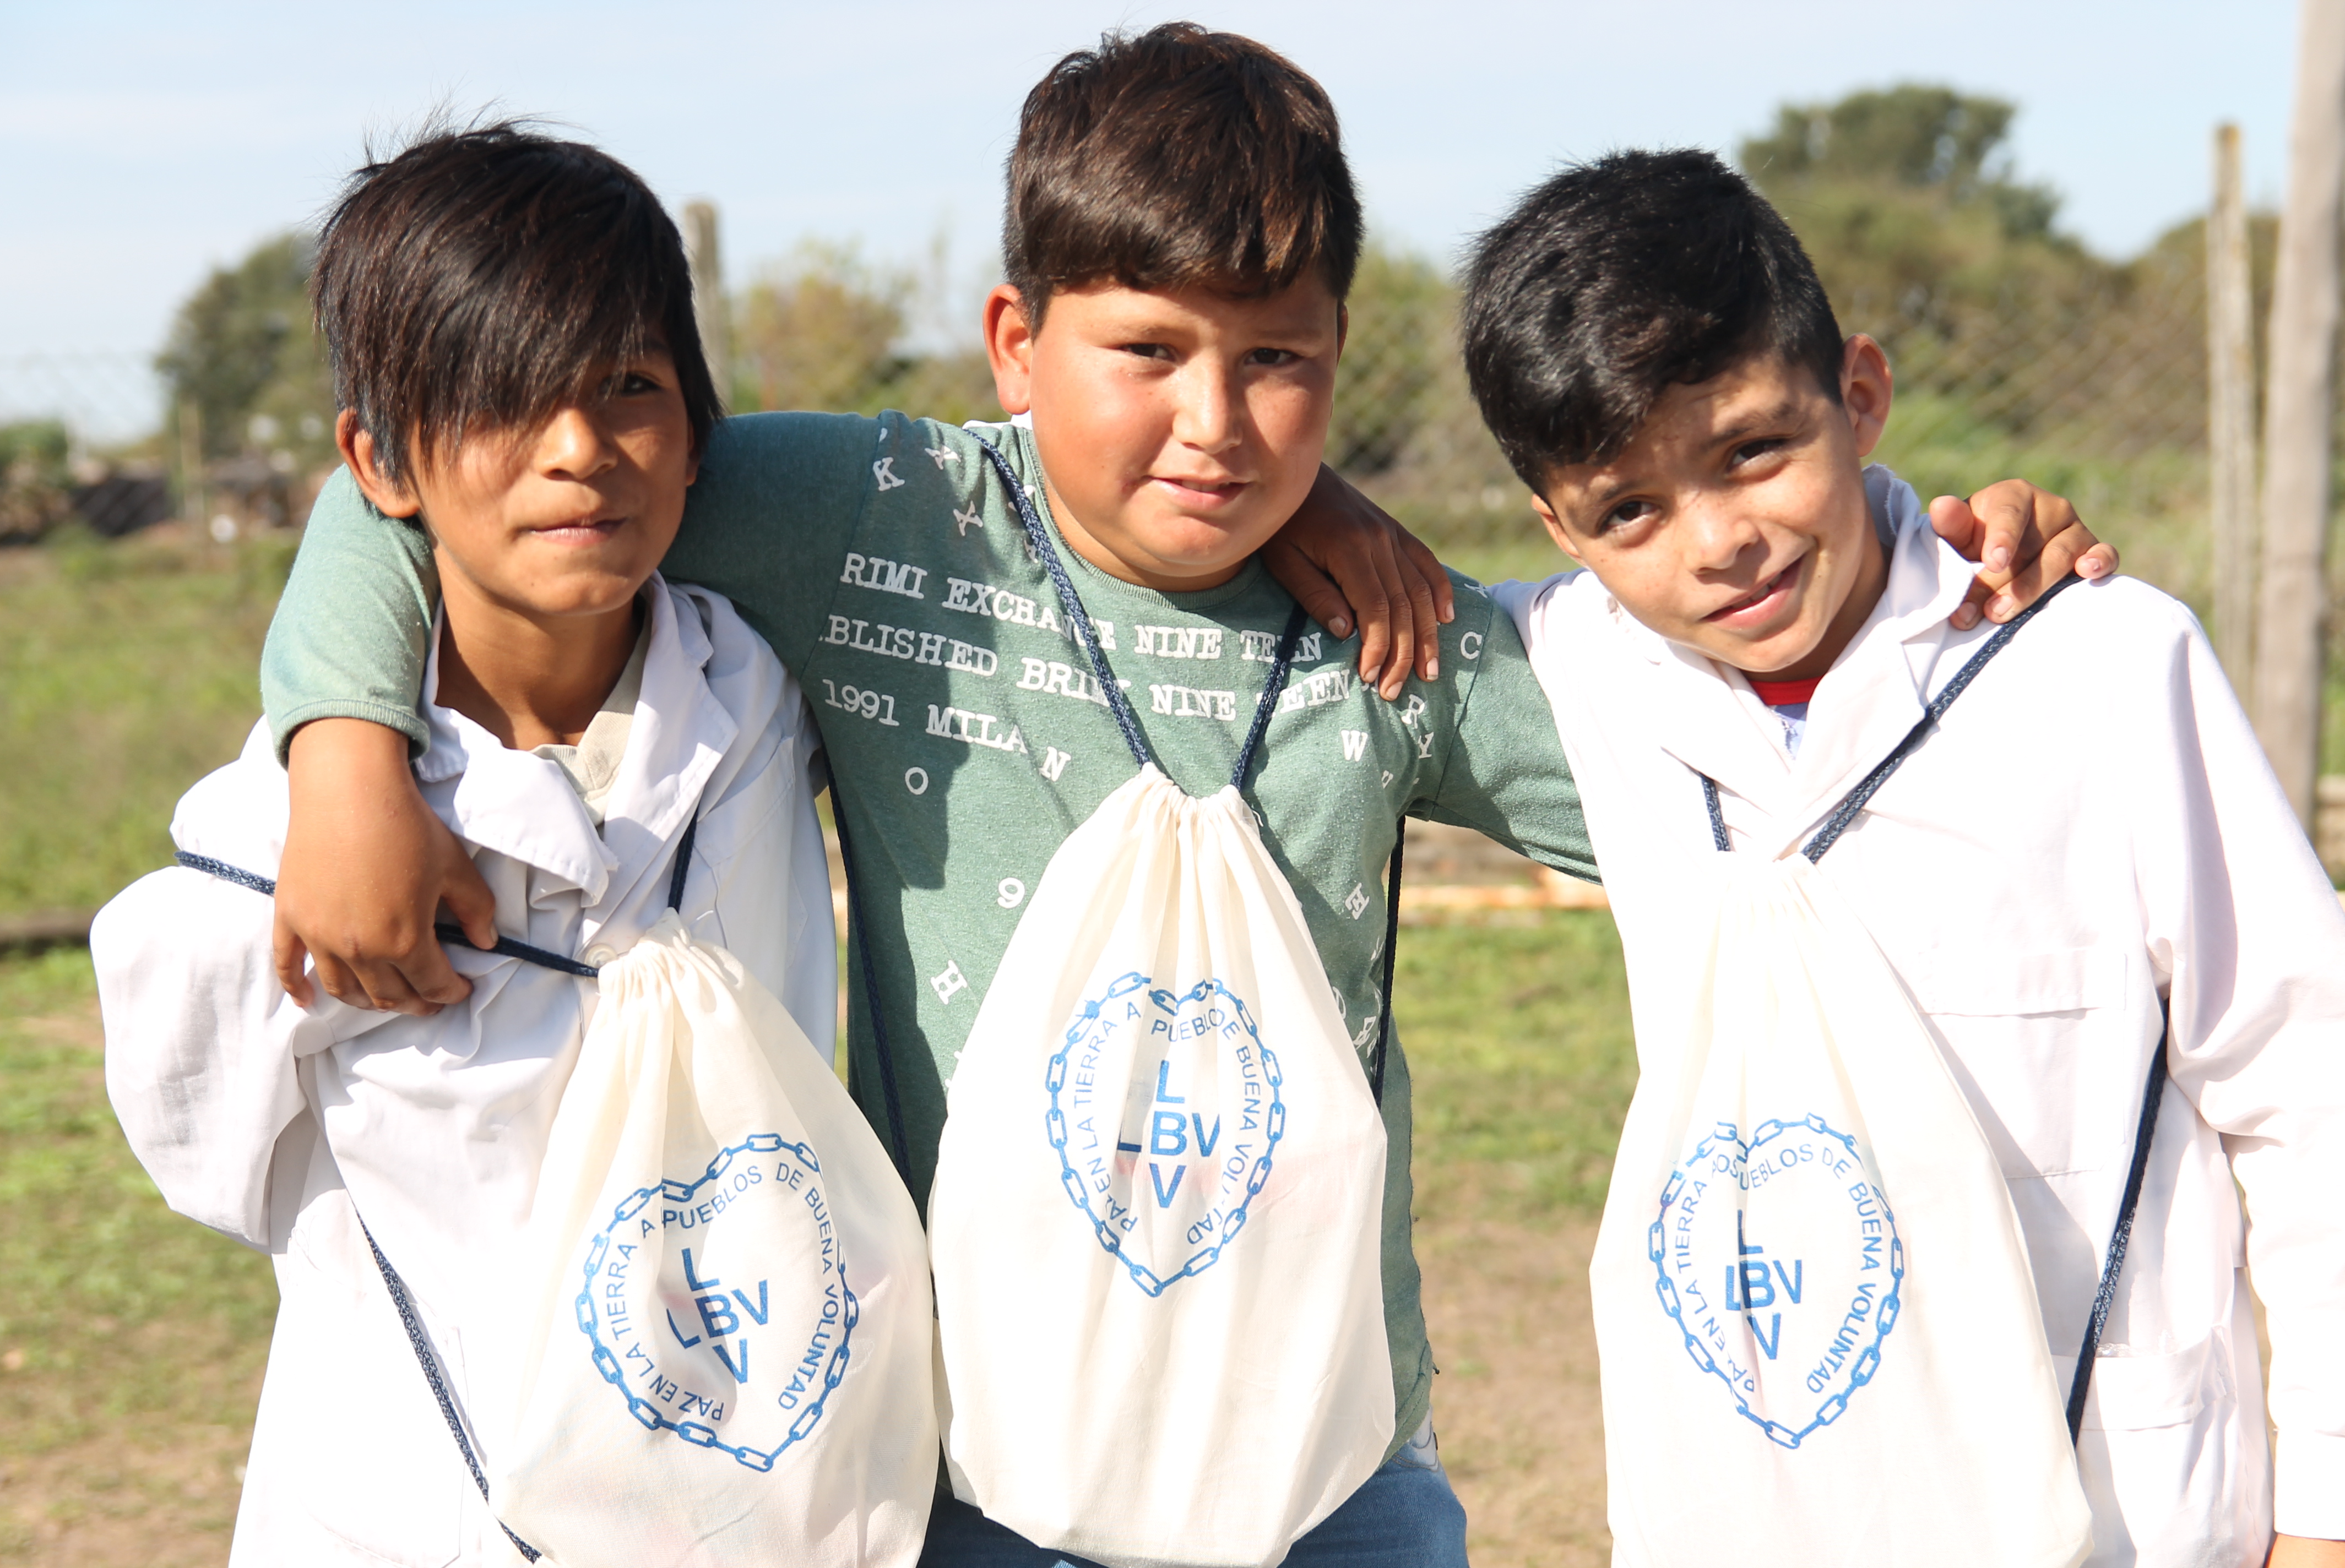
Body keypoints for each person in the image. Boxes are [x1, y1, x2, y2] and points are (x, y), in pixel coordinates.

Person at [252, 30, 2108, 1566]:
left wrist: (1937, 579)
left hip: (1330, 1468)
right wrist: (341, 747)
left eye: (1276, 362)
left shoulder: (1395, 646)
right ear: (1015, 341)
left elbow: (1772, 771)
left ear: (1337, 359)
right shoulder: (879, 528)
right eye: (1147, 354)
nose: (1216, 425)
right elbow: (451, 470)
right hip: (976, 1464)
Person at [1463, 148, 2345, 1567]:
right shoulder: (1571, 669)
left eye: (1754, 450)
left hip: (2125, 1510)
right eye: (1629, 509)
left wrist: (2328, 1515)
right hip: (1777, 1511)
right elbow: (1277, 589)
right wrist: (1330, 514)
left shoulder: (2102, 667)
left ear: (1859, 394)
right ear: (1560, 530)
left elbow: (2309, 1084)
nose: (1720, 542)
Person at [91, 126, 874, 1564]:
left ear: (699, 430)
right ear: (378, 464)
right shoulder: (280, 849)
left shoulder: (763, 702)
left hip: (746, 1487)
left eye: (629, 386)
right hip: (412, 1512)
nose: (579, 449)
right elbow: (204, 1145)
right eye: (503, 396)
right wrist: (347, 769)